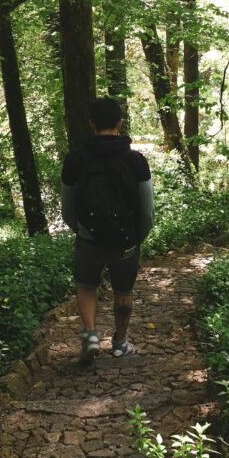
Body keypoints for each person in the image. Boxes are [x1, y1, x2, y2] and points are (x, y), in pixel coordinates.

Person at [61, 97, 154, 363]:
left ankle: (90, 335)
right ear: (119, 123)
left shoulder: (75, 160)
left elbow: (67, 209)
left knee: (87, 285)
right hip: (125, 239)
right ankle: (120, 343)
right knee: (123, 291)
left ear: (91, 124)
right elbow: (147, 211)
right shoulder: (136, 161)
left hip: (88, 237)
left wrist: (81, 231)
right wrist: (138, 237)